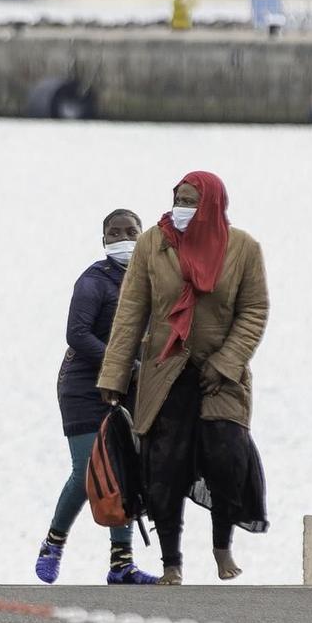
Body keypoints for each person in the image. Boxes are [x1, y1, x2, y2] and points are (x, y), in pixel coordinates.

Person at [98, 171, 269, 585]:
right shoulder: (151, 244)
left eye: (192, 201)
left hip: (221, 375)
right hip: (164, 368)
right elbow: (131, 312)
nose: (183, 208)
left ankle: (222, 546)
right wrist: (115, 374)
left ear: (211, 204)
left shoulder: (242, 247)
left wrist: (226, 362)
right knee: (165, 467)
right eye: (179, 199)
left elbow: (254, 311)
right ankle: (171, 562)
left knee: (227, 456)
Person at [35, 209, 152, 585]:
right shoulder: (93, 281)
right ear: (104, 242)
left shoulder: (151, 279)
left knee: (124, 469)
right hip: (83, 383)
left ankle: (122, 564)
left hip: (127, 384)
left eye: (131, 231)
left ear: (144, 234)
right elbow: (77, 334)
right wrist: (123, 362)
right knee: (90, 470)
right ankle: (54, 541)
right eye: (114, 233)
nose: (123, 238)